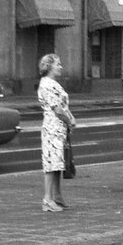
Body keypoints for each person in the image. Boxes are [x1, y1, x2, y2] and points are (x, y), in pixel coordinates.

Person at [37, 53, 75, 212]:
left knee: (58, 163)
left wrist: (69, 119)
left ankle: (57, 196)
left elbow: (63, 106)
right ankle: (47, 199)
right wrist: (69, 120)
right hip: (53, 128)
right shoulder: (46, 84)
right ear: (49, 66)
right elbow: (57, 109)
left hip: (59, 128)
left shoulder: (53, 83)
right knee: (51, 164)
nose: (61, 67)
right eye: (58, 64)